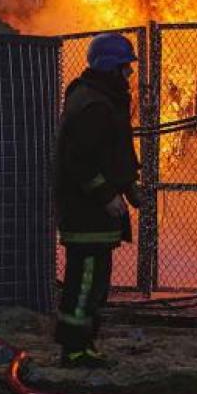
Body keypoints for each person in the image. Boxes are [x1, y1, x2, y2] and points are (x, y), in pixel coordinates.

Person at [54, 33, 142, 369]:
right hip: (86, 213)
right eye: (125, 68)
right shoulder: (95, 104)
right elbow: (79, 160)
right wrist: (107, 195)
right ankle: (75, 350)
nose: (129, 75)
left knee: (92, 284)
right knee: (85, 283)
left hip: (91, 215)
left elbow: (111, 153)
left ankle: (84, 344)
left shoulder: (100, 98)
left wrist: (129, 188)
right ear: (111, 67)